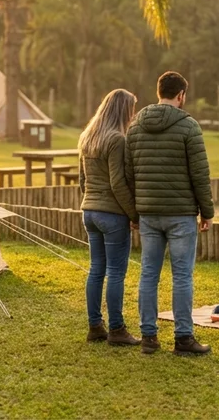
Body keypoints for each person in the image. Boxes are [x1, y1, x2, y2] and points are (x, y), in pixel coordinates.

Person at [127, 71, 214, 356]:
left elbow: (130, 173)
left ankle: (149, 337)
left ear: (158, 92)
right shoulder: (189, 126)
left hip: (148, 213)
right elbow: (200, 174)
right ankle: (183, 338)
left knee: (149, 274)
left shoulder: (136, 124)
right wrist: (207, 212)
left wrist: (133, 211)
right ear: (181, 95)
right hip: (180, 213)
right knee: (182, 276)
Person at [78, 89, 141, 347]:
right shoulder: (117, 140)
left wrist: (91, 201)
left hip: (89, 212)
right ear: (122, 111)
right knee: (116, 272)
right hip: (112, 216)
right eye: (132, 109)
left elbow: (82, 181)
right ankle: (116, 330)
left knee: (96, 270)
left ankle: (95, 326)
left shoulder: (87, 137)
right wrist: (133, 214)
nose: (134, 114)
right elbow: (117, 183)